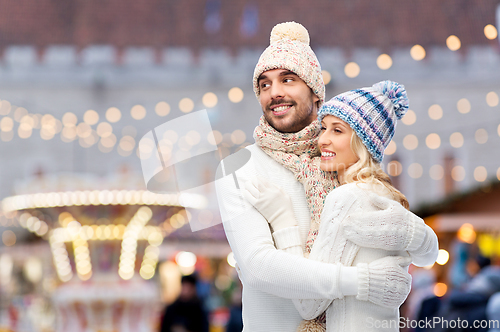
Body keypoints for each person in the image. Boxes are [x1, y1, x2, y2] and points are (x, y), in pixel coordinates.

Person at [215, 22, 426, 331]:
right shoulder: (240, 166)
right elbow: (259, 266)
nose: (275, 92)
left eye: (288, 79)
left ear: (315, 92)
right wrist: (363, 282)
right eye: (264, 84)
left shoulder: (343, 156)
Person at [243, 81, 439, 331]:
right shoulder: (385, 196)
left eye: (337, 131)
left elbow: (308, 303)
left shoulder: (347, 198)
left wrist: (283, 220)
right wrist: (419, 234)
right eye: (323, 128)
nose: (322, 140)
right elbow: (427, 254)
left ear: (363, 142)